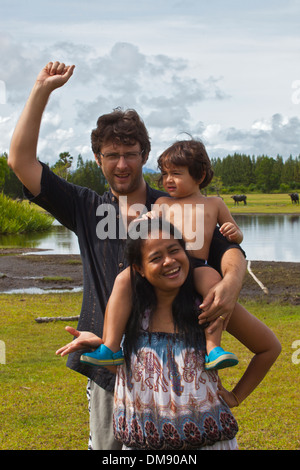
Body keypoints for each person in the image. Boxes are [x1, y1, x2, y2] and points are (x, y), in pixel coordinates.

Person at [8, 61, 247, 450]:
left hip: (177, 361)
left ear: (144, 155)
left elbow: (228, 251)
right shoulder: (85, 207)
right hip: (110, 365)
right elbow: (20, 162)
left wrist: (233, 282)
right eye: (111, 154)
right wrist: (41, 89)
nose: (122, 163)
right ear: (99, 159)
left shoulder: (174, 205)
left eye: (131, 154)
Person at [56, 218, 281, 450]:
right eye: (156, 258)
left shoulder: (209, 307)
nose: (170, 261)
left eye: (175, 250)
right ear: (139, 269)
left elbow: (268, 348)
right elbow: (135, 374)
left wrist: (236, 396)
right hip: (141, 443)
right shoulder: (130, 311)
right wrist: (97, 344)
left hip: (205, 443)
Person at [86, 139, 243, 370]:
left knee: (215, 285)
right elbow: (146, 232)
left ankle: (213, 348)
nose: (168, 180)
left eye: (176, 174)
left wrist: (235, 233)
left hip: (198, 265)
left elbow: (234, 239)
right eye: (165, 174)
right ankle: (110, 346)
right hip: (163, 265)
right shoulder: (161, 203)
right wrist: (143, 221)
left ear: (199, 176)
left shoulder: (214, 204)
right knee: (122, 279)